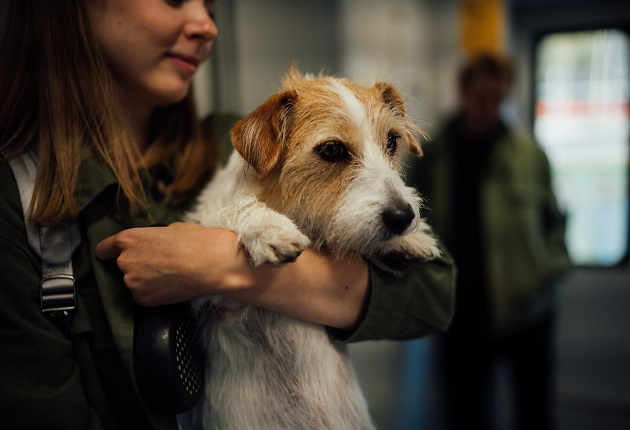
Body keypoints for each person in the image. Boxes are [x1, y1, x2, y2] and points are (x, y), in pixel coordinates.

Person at [0, 1, 455, 429]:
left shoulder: (233, 151)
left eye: (213, 7)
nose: (207, 25)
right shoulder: (19, 196)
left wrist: (222, 265)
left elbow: (433, 291)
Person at [406, 53, 572, 430]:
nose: (490, 107)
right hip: (460, 312)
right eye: (482, 96)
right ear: (462, 92)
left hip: (527, 310)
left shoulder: (530, 155)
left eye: (499, 98)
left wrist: (548, 268)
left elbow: (555, 221)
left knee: (534, 412)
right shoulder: (433, 156)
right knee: (465, 414)